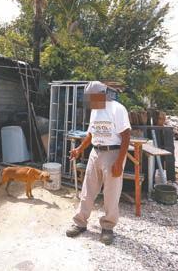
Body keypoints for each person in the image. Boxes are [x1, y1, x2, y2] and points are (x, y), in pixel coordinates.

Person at [66, 81, 131, 245]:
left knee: (111, 193)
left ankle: (108, 227)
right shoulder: (95, 110)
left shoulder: (117, 108)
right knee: (88, 190)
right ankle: (80, 222)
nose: (89, 101)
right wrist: (80, 149)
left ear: (102, 94)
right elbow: (90, 134)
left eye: (91, 98)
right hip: (96, 153)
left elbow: (126, 136)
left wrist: (119, 161)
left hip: (113, 153)